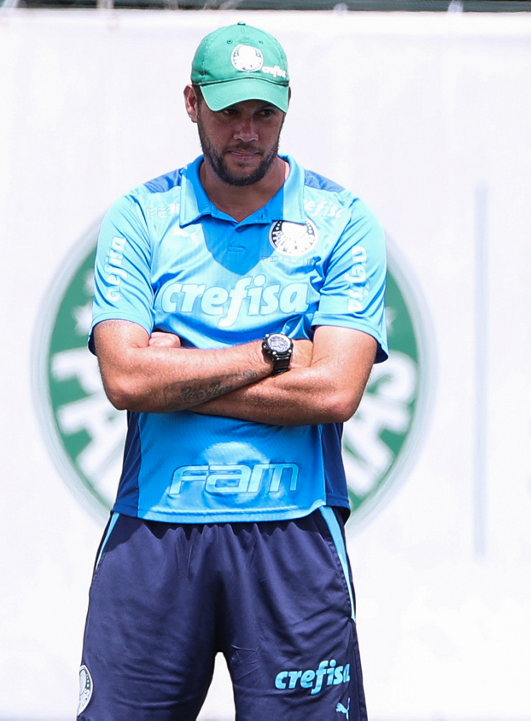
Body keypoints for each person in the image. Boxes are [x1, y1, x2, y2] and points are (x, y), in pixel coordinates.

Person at [77, 23, 385, 720]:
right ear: (192, 103)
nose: (246, 132)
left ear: (287, 107)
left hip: (293, 531)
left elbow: (336, 390)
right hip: (155, 526)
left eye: (263, 113)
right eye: (227, 112)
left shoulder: (342, 219)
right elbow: (125, 380)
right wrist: (273, 354)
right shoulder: (141, 216)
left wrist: (176, 369)